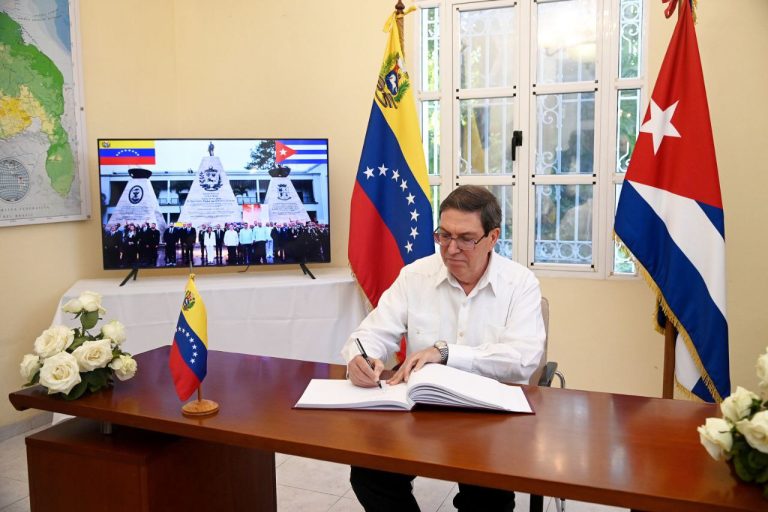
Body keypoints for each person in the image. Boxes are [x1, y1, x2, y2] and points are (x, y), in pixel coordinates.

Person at [341, 185, 545, 512]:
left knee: (487, 500)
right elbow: (372, 333)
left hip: (489, 417)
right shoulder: (415, 276)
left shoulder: (520, 284)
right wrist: (359, 357)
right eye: (444, 236)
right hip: (424, 411)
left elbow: (522, 360)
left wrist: (446, 352)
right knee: (369, 474)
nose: (451, 249)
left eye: (466, 238)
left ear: (492, 238)